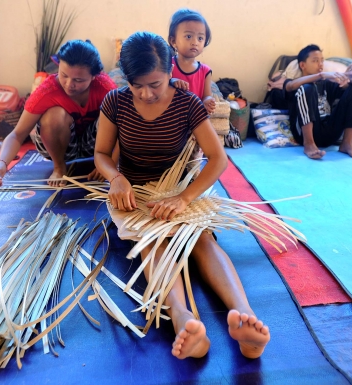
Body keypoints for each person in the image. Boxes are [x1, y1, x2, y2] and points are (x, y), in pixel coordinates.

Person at [94, 31, 270, 360]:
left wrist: (185, 198)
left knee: (200, 238)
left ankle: (246, 319)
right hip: (138, 194)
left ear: (170, 73)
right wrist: (115, 178)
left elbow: (217, 159)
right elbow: (102, 154)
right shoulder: (115, 103)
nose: (145, 93)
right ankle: (183, 318)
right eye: (136, 85)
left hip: (181, 188)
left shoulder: (186, 103)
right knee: (152, 240)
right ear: (126, 79)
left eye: (155, 84)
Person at [0, 40, 117, 188]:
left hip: (97, 146)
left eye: (78, 80)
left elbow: (122, 125)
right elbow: (17, 134)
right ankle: (59, 167)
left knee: (112, 114)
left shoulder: (104, 87)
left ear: (94, 76)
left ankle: (102, 160)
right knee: (53, 115)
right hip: (59, 148)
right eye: (64, 75)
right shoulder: (47, 92)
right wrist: (1, 163)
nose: (69, 84)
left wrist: (111, 163)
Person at [283, 44, 352, 160]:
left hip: (329, 132)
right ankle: (309, 144)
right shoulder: (294, 82)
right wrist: (321, 75)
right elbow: (290, 86)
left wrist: (348, 77)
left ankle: (347, 144)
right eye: (315, 61)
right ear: (303, 65)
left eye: (322, 60)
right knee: (307, 87)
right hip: (304, 135)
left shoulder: (326, 83)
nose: (320, 64)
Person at [167, 8, 216, 114]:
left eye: (200, 38)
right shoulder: (167, 65)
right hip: (172, 117)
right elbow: (160, 87)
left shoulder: (205, 71)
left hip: (193, 118)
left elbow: (206, 95)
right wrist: (172, 81)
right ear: (173, 41)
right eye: (188, 36)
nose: (195, 42)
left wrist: (208, 101)